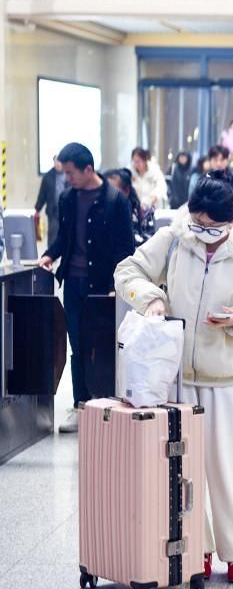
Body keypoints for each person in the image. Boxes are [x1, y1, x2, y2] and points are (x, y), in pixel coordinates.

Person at [114, 177, 233, 585]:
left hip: (227, 379)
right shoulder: (176, 238)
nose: (203, 236)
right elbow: (128, 270)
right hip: (176, 376)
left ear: (231, 224)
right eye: (197, 224)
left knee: (231, 468)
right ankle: (197, 549)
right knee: (181, 470)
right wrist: (151, 298)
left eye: (212, 229)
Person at [38, 143, 134, 433]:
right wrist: (49, 255)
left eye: (70, 173)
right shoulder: (68, 198)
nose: (67, 179)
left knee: (104, 347)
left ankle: (106, 405)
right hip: (74, 283)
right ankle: (81, 406)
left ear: (87, 169)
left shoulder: (115, 200)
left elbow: (125, 249)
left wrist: (119, 286)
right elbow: (63, 238)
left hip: (104, 287)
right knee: (77, 345)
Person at [106, 169, 155, 247]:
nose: (107, 195)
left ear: (126, 191)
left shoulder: (144, 212)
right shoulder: (102, 211)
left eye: (111, 191)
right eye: (105, 191)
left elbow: (150, 244)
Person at [34, 155, 65, 248]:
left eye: (60, 162)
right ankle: (51, 257)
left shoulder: (69, 175)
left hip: (67, 210)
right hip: (53, 211)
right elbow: (42, 195)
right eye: (56, 161)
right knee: (53, 235)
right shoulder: (48, 177)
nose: (58, 164)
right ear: (54, 162)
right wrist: (37, 209)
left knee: (68, 234)